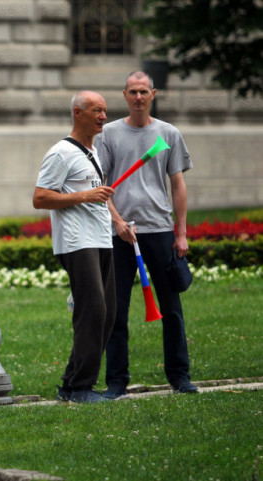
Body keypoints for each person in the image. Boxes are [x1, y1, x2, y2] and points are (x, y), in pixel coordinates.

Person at [95, 71, 198, 399]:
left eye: (144, 92)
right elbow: (101, 186)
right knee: (116, 311)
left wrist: (180, 234)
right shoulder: (109, 134)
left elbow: (177, 184)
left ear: (153, 94)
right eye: (132, 92)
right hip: (121, 234)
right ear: (123, 95)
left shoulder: (168, 133)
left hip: (159, 232)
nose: (138, 97)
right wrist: (117, 222)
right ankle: (116, 382)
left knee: (172, 308)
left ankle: (180, 377)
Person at [33, 91, 116, 404]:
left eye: (105, 111)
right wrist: (84, 196)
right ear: (78, 113)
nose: (103, 117)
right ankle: (81, 389)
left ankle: (72, 385)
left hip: (100, 239)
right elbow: (40, 197)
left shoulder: (90, 152)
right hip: (76, 241)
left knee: (106, 314)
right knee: (92, 311)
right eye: (97, 110)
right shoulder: (61, 153)